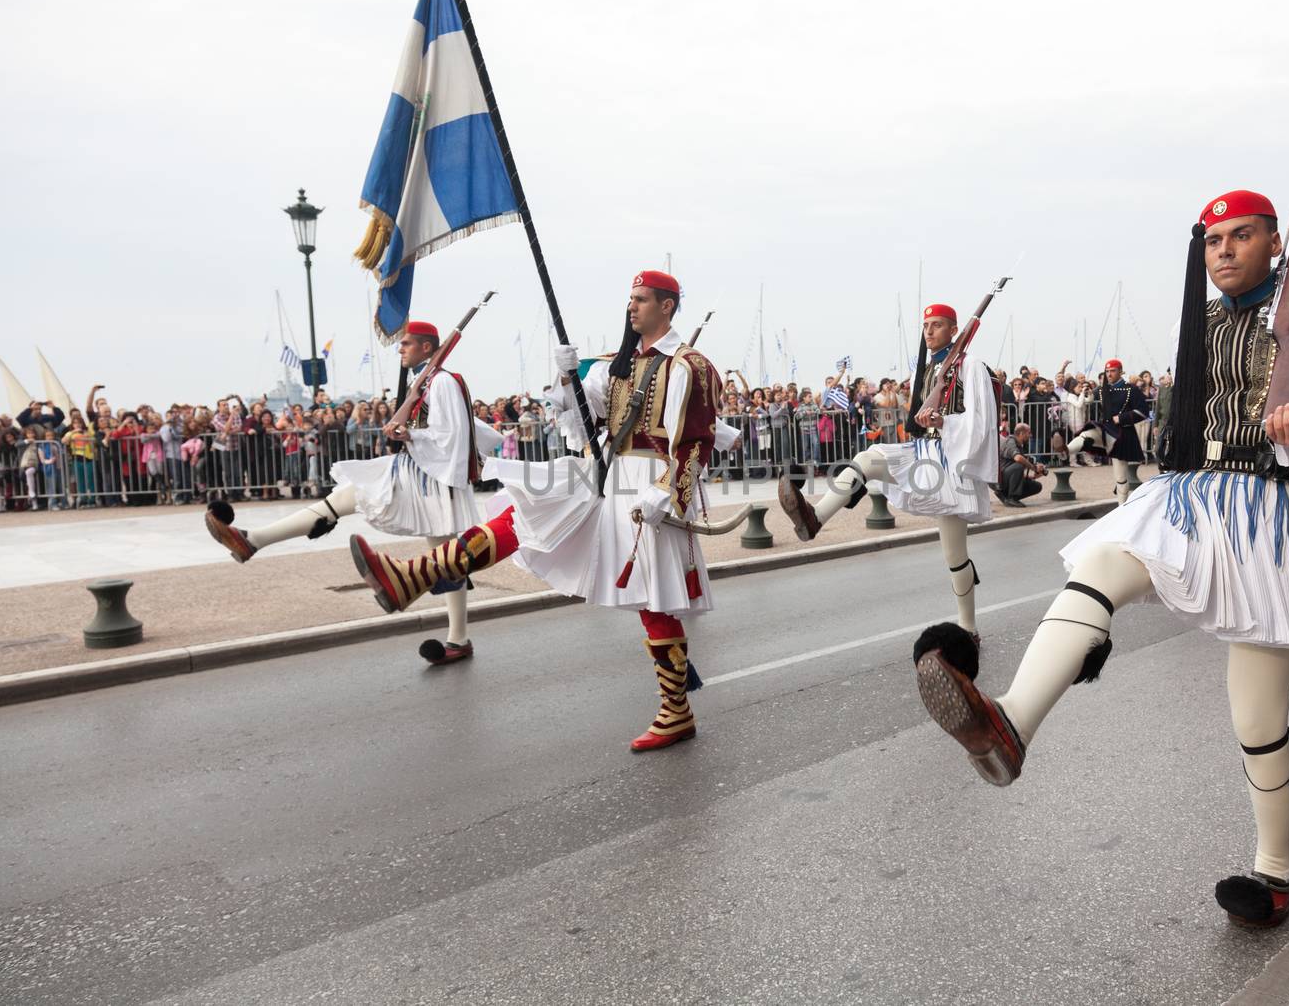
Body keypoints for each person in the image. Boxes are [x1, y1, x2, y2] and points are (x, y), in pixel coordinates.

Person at [912, 189, 1289, 928]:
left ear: (1277, 243)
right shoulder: (1201, 321)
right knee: (1104, 560)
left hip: (1272, 511)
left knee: (1258, 719)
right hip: (1195, 492)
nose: (1225, 252)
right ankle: (1011, 724)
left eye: (1242, 237)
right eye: (1213, 241)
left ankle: (1275, 870)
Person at [347, 270, 728, 752]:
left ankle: (676, 710)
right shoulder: (615, 363)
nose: (631, 308)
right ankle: (416, 573)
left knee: (652, 600)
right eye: (629, 299)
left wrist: (669, 492)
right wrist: (570, 379)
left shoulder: (689, 365)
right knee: (525, 516)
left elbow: (698, 440)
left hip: (648, 485)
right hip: (602, 471)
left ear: (667, 306)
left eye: (641, 300)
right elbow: (583, 420)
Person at [205, 320, 500, 665]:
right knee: (439, 556)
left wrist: (410, 435)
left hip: (432, 478)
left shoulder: (444, 382)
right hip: (420, 472)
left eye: (406, 344)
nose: (400, 349)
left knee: (444, 559)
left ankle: (252, 540)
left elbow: (453, 433)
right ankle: (252, 540)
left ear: (426, 347)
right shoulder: (430, 382)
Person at [778, 303, 998, 643]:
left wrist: (945, 422)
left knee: (955, 555)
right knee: (870, 457)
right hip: (924, 454)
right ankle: (815, 518)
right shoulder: (927, 369)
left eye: (938, 325)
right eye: (926, 326)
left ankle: (969, 628)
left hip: (953, 462)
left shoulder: (969, 366)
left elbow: (981, 419)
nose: (929, 331)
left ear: (954, 330)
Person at [1067, 358, 1151, 504]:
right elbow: (1088, 401)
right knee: (1086, 435)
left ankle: (1121, 507)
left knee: (1120, 476)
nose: (1109, 374)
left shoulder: (1131, 389)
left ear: (1120, 371)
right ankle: (1064, 450)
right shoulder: (1101, 389)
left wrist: (1121, 418)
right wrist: (1087, 393)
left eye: (1113, 371)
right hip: (1106, 429)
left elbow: (1143, 411)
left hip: (1123, 434)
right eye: (1107, 371)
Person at [997, 422, 1046, 505]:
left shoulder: (1019, 445)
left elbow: (1016, 473)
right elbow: (1018, 459)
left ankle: (1006, 496)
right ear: (1021, 433)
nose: (1030, 435)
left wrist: (1033, 476)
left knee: (1037, 486)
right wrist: (1034, 468)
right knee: (1019, 465)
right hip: (1001, 479)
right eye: (1029, 433)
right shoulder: (1010, 441)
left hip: (1007, 476)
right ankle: (1012, 498)